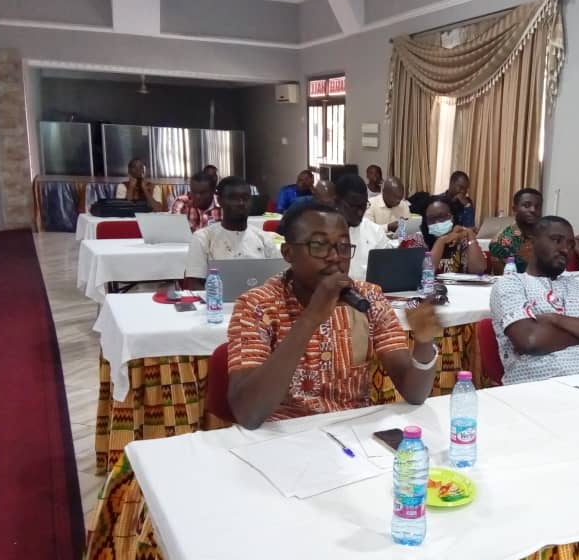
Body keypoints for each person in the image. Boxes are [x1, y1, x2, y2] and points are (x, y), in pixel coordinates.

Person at [226, 203, 441, 428]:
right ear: (288, 253)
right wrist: (310, 319)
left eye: (343, 246)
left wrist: (424, 343)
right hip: (285, 438)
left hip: (353, 435)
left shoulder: (368, 298)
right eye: (319, 245)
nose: (334, 257)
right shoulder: (257, 305)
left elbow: (414, 393)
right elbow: (248, 414)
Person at [490, 216, 579, 385]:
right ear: (531, 243)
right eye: (556, 240)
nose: (565, 250)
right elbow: (531, 341)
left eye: (570, 245)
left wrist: (555, 319)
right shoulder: (511, 284)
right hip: (536, 388)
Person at [184, 176, 279, 287]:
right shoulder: (203, 238)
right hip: (215, 302)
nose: (240, 203)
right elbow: (194, 284)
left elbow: (277, 281)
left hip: (257, 301)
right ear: (220, 200)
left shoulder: (264, 238)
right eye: (233, 198)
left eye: (245, 198)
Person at [402, 196, 487, 274]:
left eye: (441, 216)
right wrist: (441, 241)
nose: (437, 222)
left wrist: (470, 234)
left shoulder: (461, 240)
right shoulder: (415, 241)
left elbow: (478, 269)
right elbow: (426, 273)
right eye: (431, 218)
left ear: (452, 217)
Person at [334, 173, 391, 280]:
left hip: (369, 293)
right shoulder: (323, 233)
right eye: (354, 206)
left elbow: (387, 269)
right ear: (337, 202)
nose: (360, 212)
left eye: (364, 205)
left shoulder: (375, 232)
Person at [488, 188, 543, 274]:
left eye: (538, 206)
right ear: (514, 209)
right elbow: (503, 279)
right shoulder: (501, 241)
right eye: (527, 205)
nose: (533, 210)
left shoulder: (547, 236)